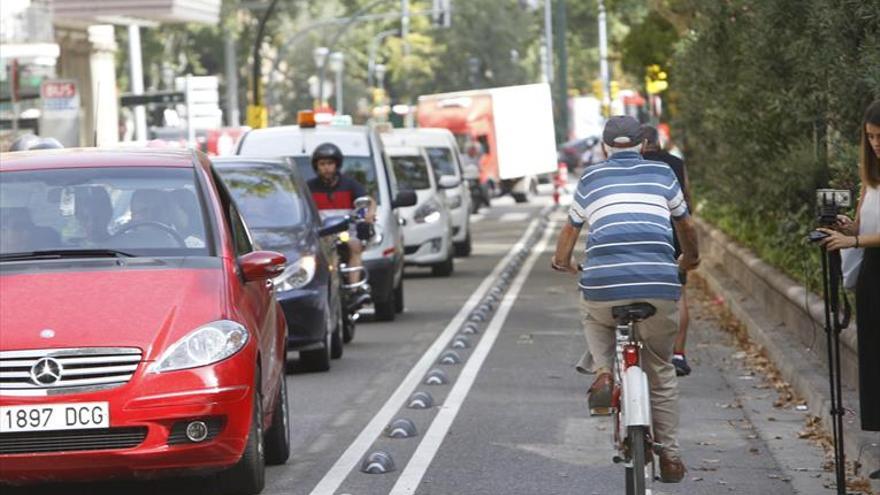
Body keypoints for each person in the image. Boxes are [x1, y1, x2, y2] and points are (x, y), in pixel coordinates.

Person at [552, 115, 700, 483]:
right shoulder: (663, 175)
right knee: (661, 369)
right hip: (658, 283)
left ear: (604, 146)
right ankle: (670, 455)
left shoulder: (590, 178)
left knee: (593, 314)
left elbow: (571, 230)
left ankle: (604, 372)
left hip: (604, 284)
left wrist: (562, 262)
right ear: (642, 144)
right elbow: (686, 225)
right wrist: (690, 258)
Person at [818, 99, 880, 433]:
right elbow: (861, 226)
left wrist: (854, 242)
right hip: (872, 275)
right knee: (873, 358)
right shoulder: (871, 177)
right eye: (870, 137)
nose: (876, 143)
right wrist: (845, 228)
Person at [641, 124, 693, 376]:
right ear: (657, 141)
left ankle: (647, 351)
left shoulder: (634, 164)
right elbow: (688, 200)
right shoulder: (676, 163)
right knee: (679, 294)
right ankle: (679, 354)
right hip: (674, 234)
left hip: (644, 233)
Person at [306, 142, 377, 286]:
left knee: (355, 247)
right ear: (316, 166)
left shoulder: (350, 184)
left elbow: (368, 201)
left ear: (337, 165)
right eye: (322, 164)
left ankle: (354, 286)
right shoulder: (309, 187)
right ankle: (324, 287)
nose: (326, 168)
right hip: (322, 233)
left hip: (347, 230)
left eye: (330, 163)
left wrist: (369, 214)